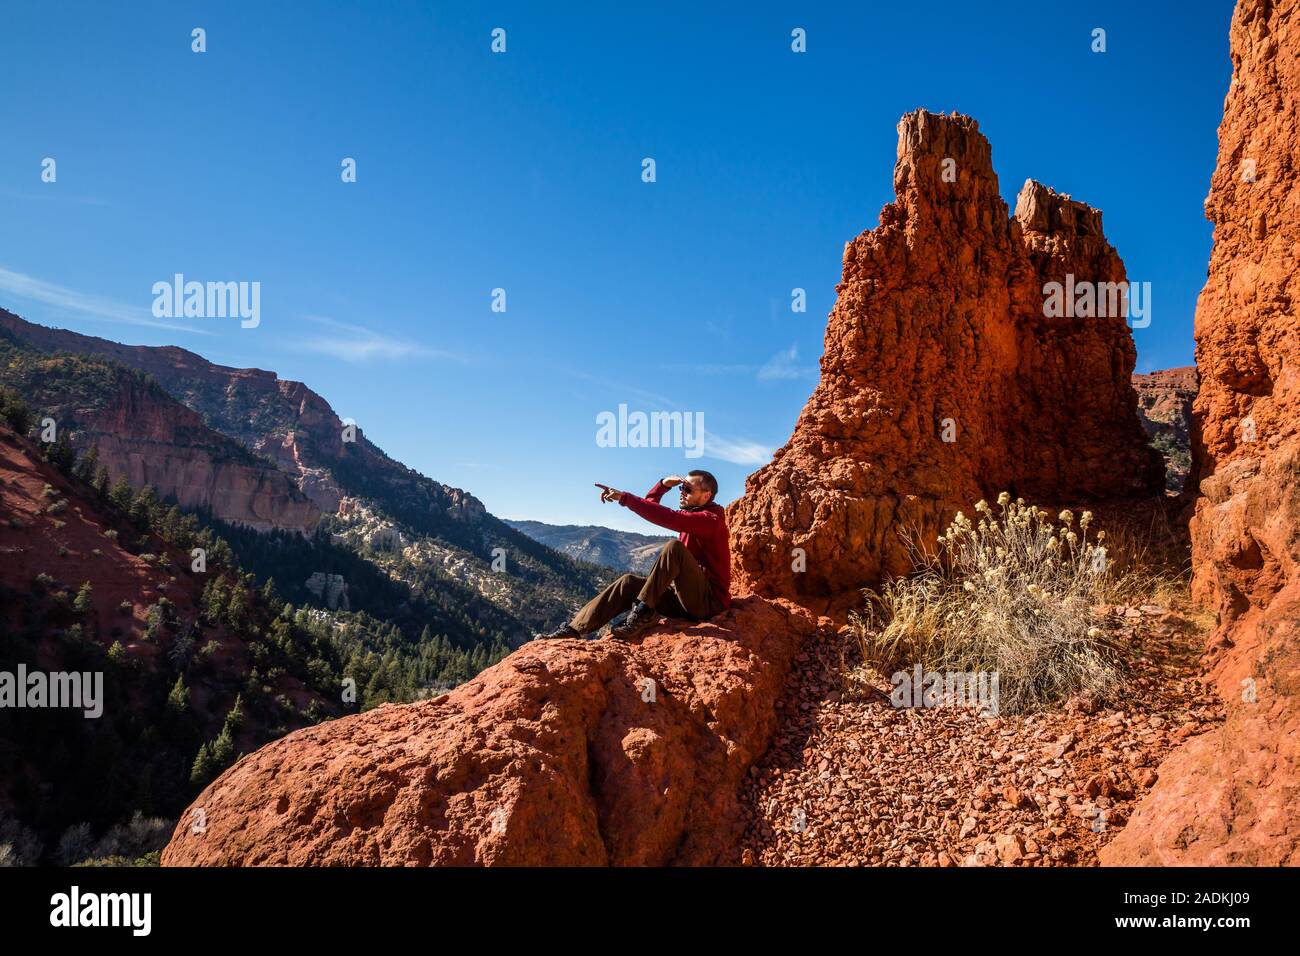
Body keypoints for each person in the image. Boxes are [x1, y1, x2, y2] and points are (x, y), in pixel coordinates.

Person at [536, 470, 731, 640]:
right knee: (628, 582)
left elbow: (669, 517)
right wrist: (662, 485)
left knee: (674, 548)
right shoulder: (693, 515)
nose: (682, 493)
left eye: (688, 490)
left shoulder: (710, 520)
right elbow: (651, 506)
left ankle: (644, 612)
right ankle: (574, 630)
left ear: (706, 496)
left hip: (708, 604)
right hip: (686, 599)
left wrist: (625, 498)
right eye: (681, 488)